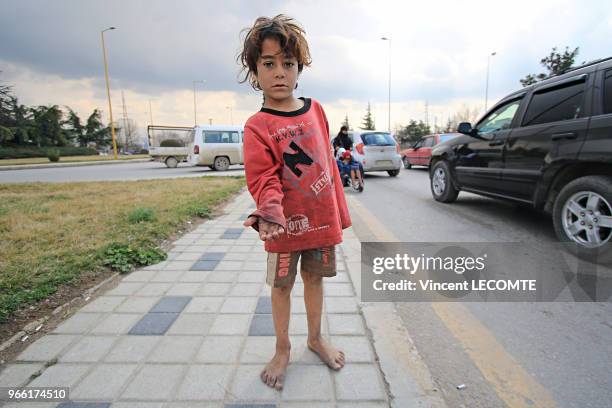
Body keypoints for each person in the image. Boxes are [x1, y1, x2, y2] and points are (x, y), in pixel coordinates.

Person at [238, 14, 351, 390]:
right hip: (284, 227)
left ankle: (315, 338)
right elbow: (263, 176)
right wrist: (269, 212)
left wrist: (339, 213)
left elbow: (328, 164)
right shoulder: (258, 125)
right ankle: (282, 348)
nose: (279, 72)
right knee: (282, 286)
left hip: (320, 222)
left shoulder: (316, 109)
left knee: (315, 280)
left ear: (299, 69)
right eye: (269, 64)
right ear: (255, 71)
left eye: (288, 64)